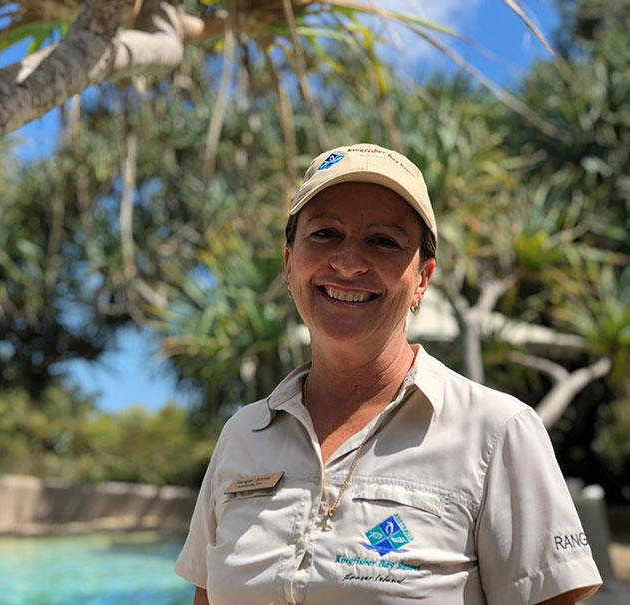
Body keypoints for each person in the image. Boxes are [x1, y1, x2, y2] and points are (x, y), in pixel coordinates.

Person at [174, 144, 602, 604]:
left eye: (383, 241)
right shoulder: (243, 435)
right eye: (324, 234)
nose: (348, 262)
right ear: (288, 263)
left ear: (422, 279)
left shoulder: (497, 432)